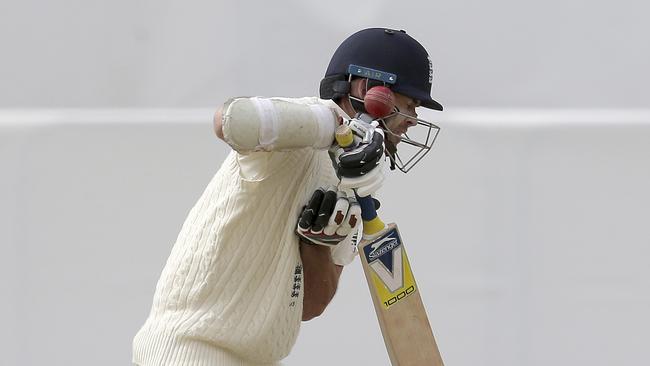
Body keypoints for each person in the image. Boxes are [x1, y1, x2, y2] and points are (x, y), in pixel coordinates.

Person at [132, 27, 443, 366]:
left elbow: (311, 306)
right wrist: (334, 128)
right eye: (409, 105)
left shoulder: (356, 181)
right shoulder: (303, 128)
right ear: (368, 89)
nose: (413, 120)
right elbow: (230, 121)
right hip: (192, 349)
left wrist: (317, 247)